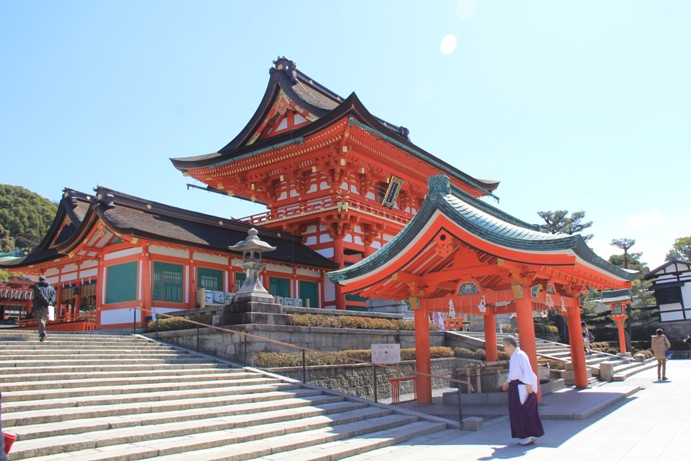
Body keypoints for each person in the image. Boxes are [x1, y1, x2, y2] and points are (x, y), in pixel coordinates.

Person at [501, 335, 544, 446]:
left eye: (505, 346)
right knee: (517, 411)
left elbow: (527, 370)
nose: (504, 348)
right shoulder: (514, 356)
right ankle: (523, 436)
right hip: (515, 386)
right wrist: (508, 381)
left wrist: (528, 384)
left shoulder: (520, 355)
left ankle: (527, 436)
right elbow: (514, 373)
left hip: (522, 386)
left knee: (523, 411)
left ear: (510, 345)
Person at [31, 275, 56, 342]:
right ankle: (41, 332)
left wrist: (46, 301)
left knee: (41, 318)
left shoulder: (37, 287)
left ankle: (42, 332)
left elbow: (40, 295)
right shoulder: (51, 288)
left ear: (39, 280)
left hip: (40, 305)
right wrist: (50, 303)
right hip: (48, 306)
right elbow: (53, 297)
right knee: (44, 318)